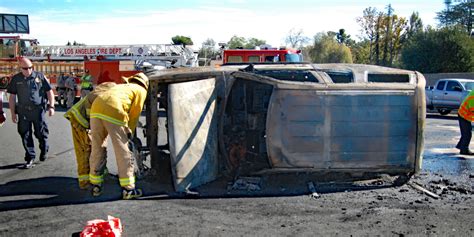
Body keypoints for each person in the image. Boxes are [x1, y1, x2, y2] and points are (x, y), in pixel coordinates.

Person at [89, 72, 149, 200]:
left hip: (96, 107)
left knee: (97, 146)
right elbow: (134, 114)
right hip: (114, 109)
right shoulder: (141, 90)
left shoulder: (122, 87)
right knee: (122, 150)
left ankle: (96, 184)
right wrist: (130, 134)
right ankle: (128, 189)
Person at [64, 82, 117, 189]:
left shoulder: (110, 91)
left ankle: (101, 173)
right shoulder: (104, 96)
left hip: (86, 120)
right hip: (80, 122)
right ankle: (85, 182)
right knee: (85, 151)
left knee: (99, 148)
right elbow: (93, 114)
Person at [7, 57, 55, 168]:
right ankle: (30, 157)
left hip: (38, 111)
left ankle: (44, 149)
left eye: (30, 68)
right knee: (25, 135)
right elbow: (12, 97)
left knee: (41, 133)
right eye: (25, 68)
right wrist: (13, 113)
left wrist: (51, 107)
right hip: (23, 111)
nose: (28, 70)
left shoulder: (40, 76)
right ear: (20, 68)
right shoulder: (16, 79)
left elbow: (49, 92)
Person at [456, 90, 474, 155]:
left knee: (466, 133)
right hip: (463, 115)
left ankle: (460, 146)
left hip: (464, 115)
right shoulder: (473, 96)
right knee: (467, 134)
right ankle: (464, 150)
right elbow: (472, 110)